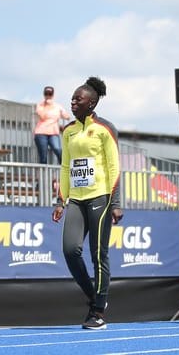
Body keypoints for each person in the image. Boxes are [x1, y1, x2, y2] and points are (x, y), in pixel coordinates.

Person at [52, 76, 123, 330]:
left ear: (91, 103)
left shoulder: (105, 129)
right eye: (71, 98)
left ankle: (98, 311)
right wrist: (61, 201)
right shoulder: (68, 131)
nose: (72, 102)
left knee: (98, 254)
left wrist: (115, 202)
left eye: (78, 99)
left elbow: (114, 166)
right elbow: (65, 166)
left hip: (100, 198)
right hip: (76, 200)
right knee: (70, 250)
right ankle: (95, 295)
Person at [34, 85, 70, 164]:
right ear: (44, 95)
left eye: (50, 94)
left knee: (58, 149)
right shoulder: (40, 105)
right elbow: (43, 116)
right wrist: (47, 106)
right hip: (41, 133)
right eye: (46, 94)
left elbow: (67, 116)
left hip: (53, 133)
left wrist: (65, 116)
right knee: (43, 156)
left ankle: (63, 168)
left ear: (52, 95)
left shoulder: (57, 106)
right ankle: (43, 175)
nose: (48, 96)